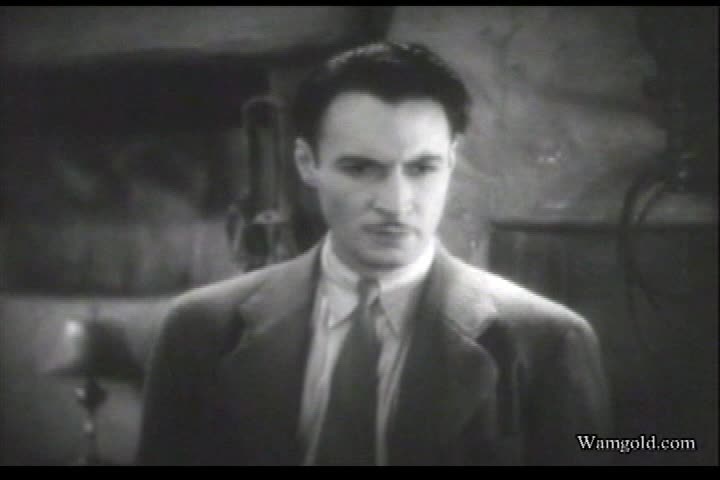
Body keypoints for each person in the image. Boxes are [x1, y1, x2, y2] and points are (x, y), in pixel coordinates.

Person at [136, 41, 611, 466]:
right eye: (361, 168)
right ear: (307, 163)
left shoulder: (548, 341)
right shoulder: (200, 329)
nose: (395, 203)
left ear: (451, 161)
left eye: (422, 168)